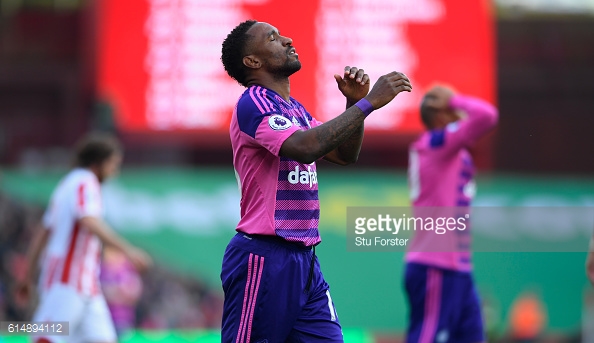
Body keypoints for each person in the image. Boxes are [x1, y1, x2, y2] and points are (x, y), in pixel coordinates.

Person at [220, 19, 412, 342]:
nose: (287, 39)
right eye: (273, 38)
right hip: (264, 258)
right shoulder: (254, 102)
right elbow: (306, 148)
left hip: (305, 260)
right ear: (252, 62)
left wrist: (353, 103)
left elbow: (344, 154)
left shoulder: (294, 110)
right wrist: (369, 104)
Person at [17, 132, 152, 343]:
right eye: (113, 163)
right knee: (46, 336)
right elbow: (88, 219)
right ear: (98, 163)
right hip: (68, 278)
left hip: (86, 282)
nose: (115, 170)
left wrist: (27, 276)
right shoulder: (86, 182)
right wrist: (129, 250)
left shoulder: (65, 186)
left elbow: (42, 234)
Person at [405, 85, 498, 343]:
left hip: (459, 268)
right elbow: (487, 116)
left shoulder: (450, 151)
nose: (460, 112)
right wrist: (456, 99)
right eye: (452, 108)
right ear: (441, 114)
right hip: (434, 265)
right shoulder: (437, 143)